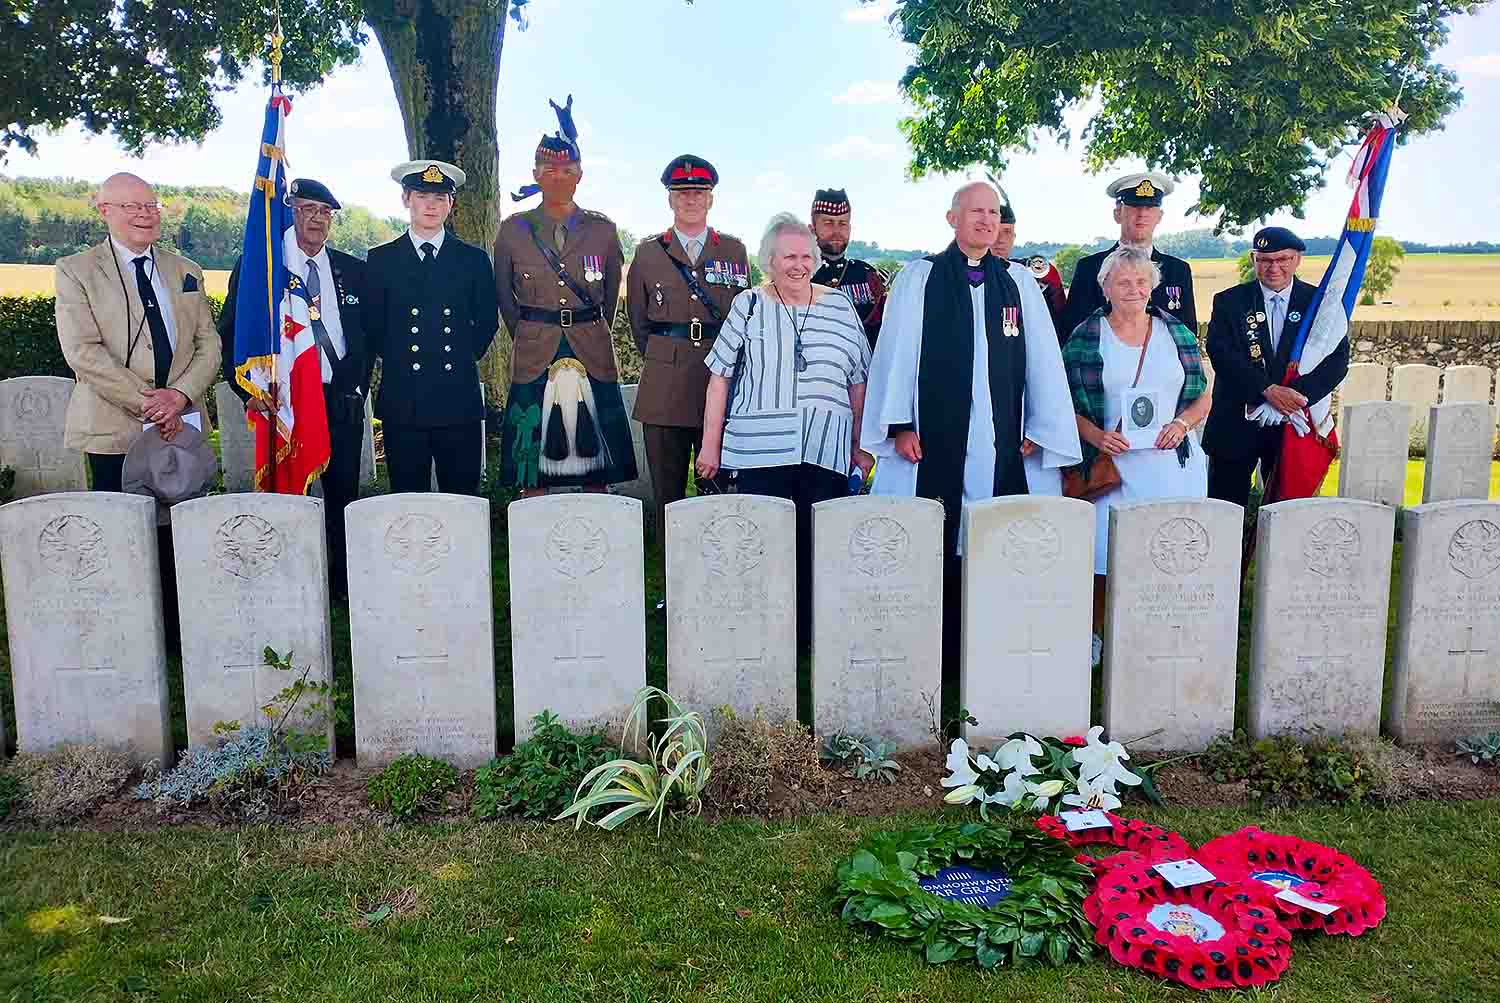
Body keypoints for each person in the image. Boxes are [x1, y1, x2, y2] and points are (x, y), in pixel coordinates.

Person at [860, 181, 1080, 710]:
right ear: (952, 218)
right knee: (937, 538)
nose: (985, 220)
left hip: (999, 439)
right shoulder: (919, 279)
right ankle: (934, 652)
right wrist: (900, 425)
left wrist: (1040, 425)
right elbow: (896, 356)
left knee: (994, 539)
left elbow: (1043, 359)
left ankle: (992, 650)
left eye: (993, 213)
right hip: (931, 441)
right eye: (975, 211)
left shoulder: (1018, 284)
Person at [697, 213, 872, 656]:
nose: (799, 265)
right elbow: (720, 376)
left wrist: (860, 445)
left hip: (826, 447)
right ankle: (765, 634)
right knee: (764, 547)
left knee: (817, 546)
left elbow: (858, 380)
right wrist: (710, 446)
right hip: (759, 450)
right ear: (769, 262)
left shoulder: (840, 306)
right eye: (788, 257)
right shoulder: (748, 305)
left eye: (806, 256)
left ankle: (811, 638)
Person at [219, 178, 367, 596]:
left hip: (339, 398)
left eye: (325, 212)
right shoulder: (261, 268)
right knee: (288, 494)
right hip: (284, 400)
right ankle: (288, 580)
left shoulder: (353, 270)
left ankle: (341, 584)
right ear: (288, 214)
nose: (317, 219)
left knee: (343, 495)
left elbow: (368, 334)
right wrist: (249, 392)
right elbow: (233, 333)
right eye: (306, 209)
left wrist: (356, 383)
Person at [1061, 246, 1210, 643]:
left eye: (1142, 282)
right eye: (1123, 282)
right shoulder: (1086, 338)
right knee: (1103, 558)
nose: (1134, 289)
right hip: (1111, 469)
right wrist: (1097, 436)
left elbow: (1203, 396)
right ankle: (1095, 636)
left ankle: (1158, 635)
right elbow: (1060, 405)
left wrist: (1182, 424)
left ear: (1152, 286)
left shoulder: (1176, 333)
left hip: (1171, 469)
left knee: (1167, 555)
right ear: (1105, 288)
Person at [495, 96, 636, 496]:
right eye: (549, 170)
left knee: (598, 463)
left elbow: (610, 296)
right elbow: (504, 295)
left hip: (591, 343)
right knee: (530, 462)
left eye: (567, 170)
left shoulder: (603, 231)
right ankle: (532, 514)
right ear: (535, 174)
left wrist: (589, 326)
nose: (558, 177)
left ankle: (598, 516)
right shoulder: (513, 230)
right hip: (534, 346)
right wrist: (529, 331)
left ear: (579, 175)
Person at [55, 172, 221, 490]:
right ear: (104, 210)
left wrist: (180, 396)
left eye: (151, 205)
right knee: (121, 520)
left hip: (184, 424)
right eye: (132, 206)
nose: (145, 214)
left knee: (184, 519)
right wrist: (153, 406)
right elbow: (82, 350)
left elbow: (208, 343)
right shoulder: (75, 271)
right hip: (113, 429)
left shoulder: (187, 270)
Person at [627, 155, 748, 539]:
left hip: (719, 379)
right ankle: (670, 569)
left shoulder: (733, 251)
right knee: (668, 492)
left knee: (719, 491)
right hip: (665, 385)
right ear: (670, 199)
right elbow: (638, 322)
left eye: (698, 192)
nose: (690, 199)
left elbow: (743, 316)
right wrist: (668, 354)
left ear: (711, 199)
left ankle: (715, 563)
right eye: (682, 193)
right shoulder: (648, 253)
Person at [364, 160, 499, 495]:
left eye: (440, 198)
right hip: (403, 400)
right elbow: (372, 326)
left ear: (451, 204)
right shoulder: (381, 260)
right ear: (406, 199)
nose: (431, 205)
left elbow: (486, 322)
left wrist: (459, 357)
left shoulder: (473, 260)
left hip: (458, 398)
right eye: (422, 196)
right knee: (409, 501)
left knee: (463, 499)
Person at [1202, 226, 1346, 507]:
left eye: (1282, 259)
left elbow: (1337, 361)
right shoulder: (1229, 301)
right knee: (1225, 512)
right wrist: (1267, 391)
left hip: (1292, 427)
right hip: (1236, 422)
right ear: (1253, 259)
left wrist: (1293, 398)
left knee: (1286, 514)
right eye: (1264, 260)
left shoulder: (1319, 304)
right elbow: (1222, 355)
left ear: (1298, 259)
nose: (1273, 267)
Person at [1059, 172, 1197, 341]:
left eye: (1150, 207)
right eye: (1134, 206)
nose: (1142, 214)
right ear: (1117, 214)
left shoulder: (1178, 270)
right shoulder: (1089, 268)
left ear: (1159, 216)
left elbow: (1188, 333)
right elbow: (1073, 332)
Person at [810, 189, 888, 347]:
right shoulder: (798, 276)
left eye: (843, 223)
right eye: (828, 223)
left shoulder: (868, 276)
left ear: (850, 228)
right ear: (813, 229)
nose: (837, 231)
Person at [989, 195, 1068, 333]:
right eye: (994, 231)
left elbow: (1061, 320)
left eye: (1007, 232)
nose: (1000, 239)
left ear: (1014, 237)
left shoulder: (1040, 273)